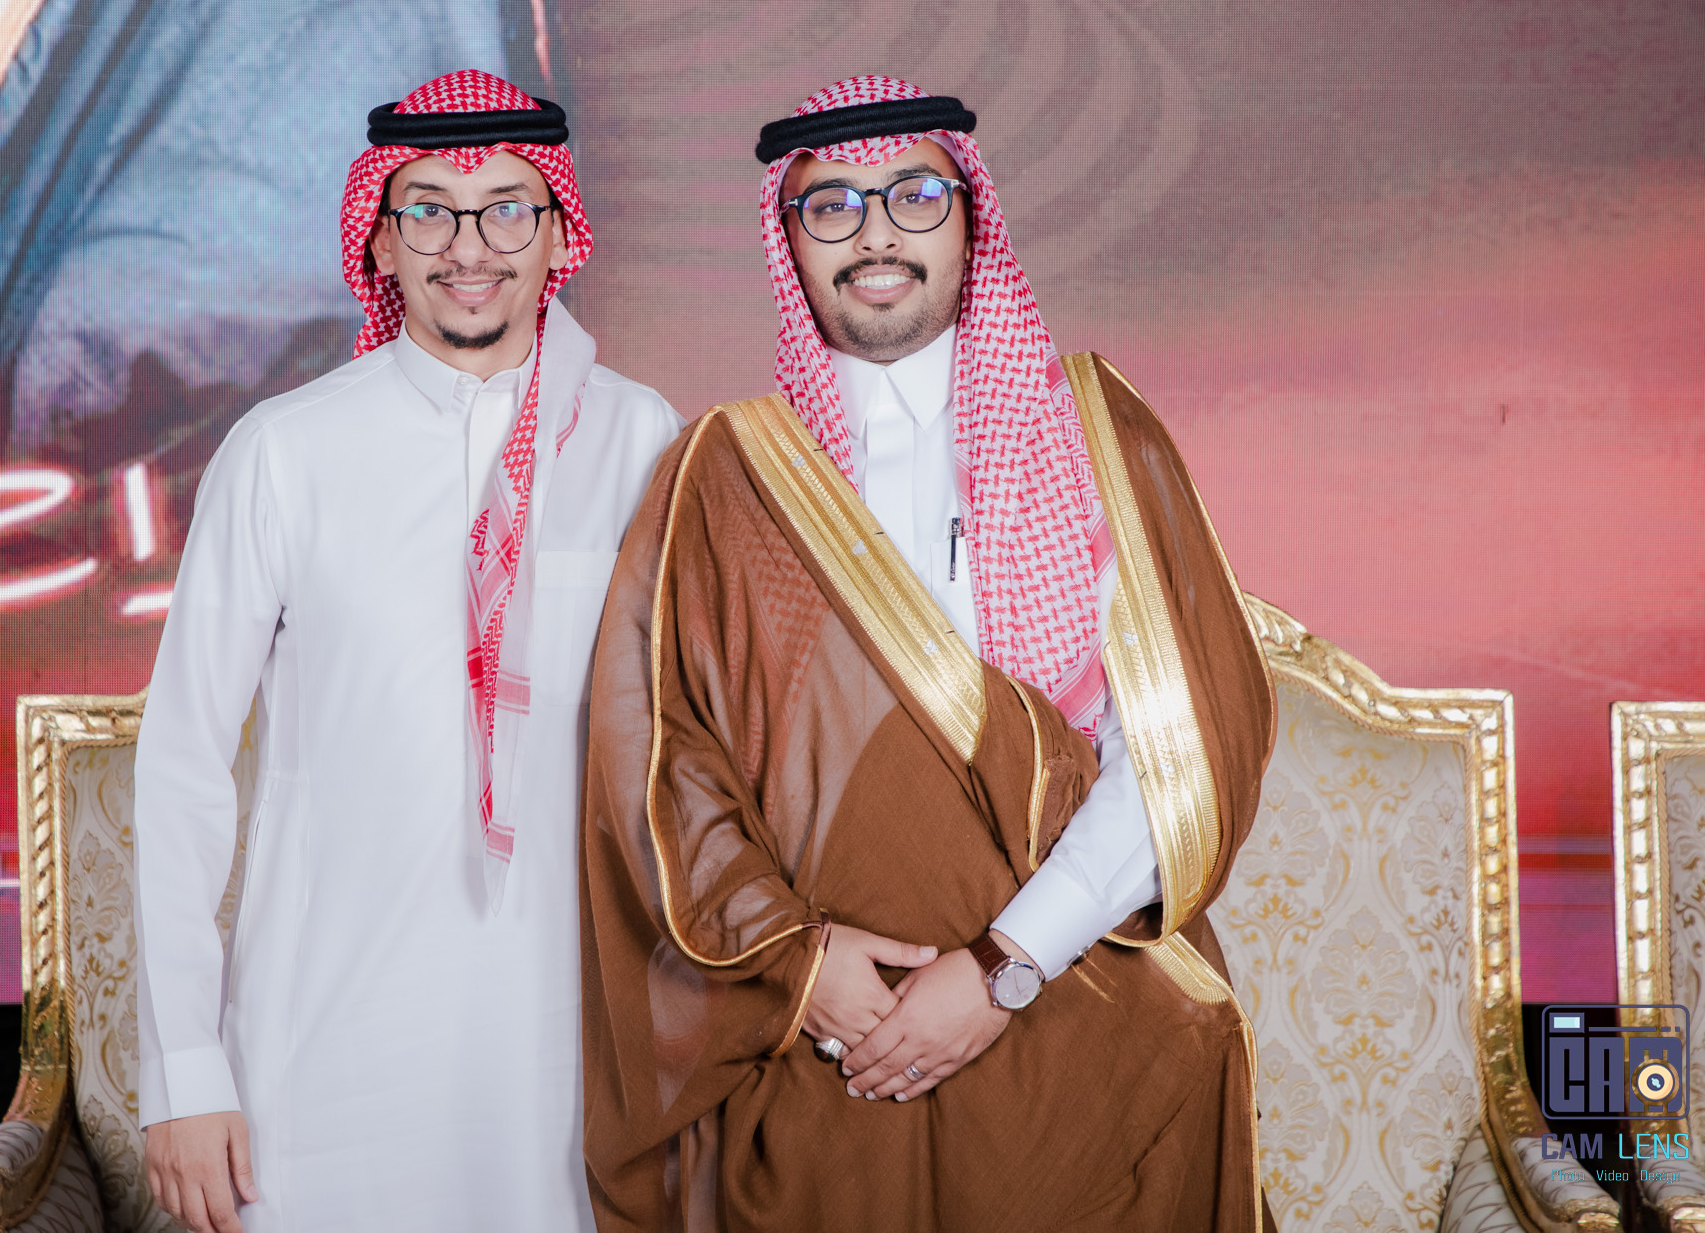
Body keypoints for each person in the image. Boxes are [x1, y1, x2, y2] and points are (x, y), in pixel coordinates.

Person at [579, 76, 1278, 1231]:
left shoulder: (1095, 434)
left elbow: (1179, 748)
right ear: (788, 239)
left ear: (968, 218)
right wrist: (800, 970)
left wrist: (1005, 968)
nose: (875, 234)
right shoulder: (725, 473)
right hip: (832, 1051)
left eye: (912, 195)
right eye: (831, 205)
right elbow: (661, 758)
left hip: (1080, 1020)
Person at [134, 70, 681, 1233]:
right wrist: (184, 1069)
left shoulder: (640, 437)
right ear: (379, 239)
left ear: (557, 236)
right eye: (428, 210)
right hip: (323, 1046)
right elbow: (181, 766)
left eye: (506, 210)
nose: (466, 248)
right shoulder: (284, 451)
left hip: (564, 1048)